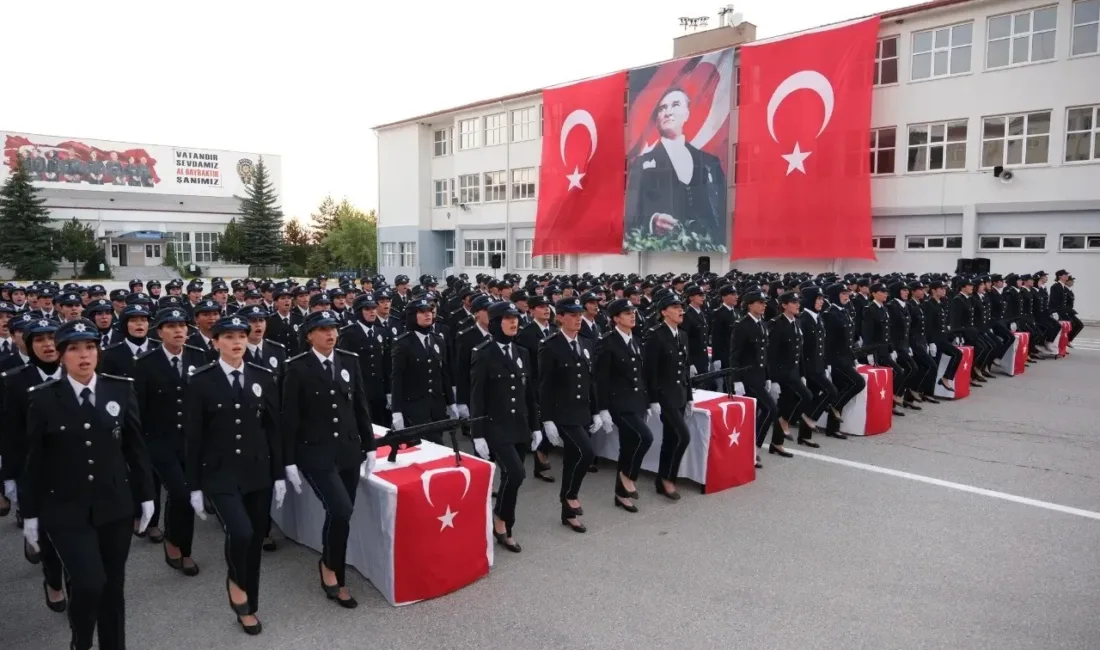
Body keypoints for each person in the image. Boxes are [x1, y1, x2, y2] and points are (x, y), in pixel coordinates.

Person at [21, 318, 156, 650]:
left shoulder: (119, 389)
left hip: (115, 504)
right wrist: (30, 514)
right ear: (61, 355)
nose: (84, 355)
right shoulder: (43, 399)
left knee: (113, 585)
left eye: (90, 347)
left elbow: (135, 447)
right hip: (65, 508)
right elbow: (34, 461)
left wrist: (146, 496)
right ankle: (81, 640)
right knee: (89, 582)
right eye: (74, 349)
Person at [184, 314, 284, 635]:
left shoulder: (262, 376)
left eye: (241, 336)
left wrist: (279, 473)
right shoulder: (201, 381)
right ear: (215, 343)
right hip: (220, 473)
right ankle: (236, 584)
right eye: (228, 337)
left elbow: (273, 429)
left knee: (254, 539)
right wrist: (194, 486)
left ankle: (248, 602)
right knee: (240, 532)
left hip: (257, 470)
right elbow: (193, 437)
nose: (237, 342)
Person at [282, 309, 376, 609]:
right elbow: (290, 418)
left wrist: (370, 446)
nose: (330, 334)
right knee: (340, 508)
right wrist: (288, 461)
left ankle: (331, 560)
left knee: (342, 513)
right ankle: (331, 570)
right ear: (309, 335)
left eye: (333, 328)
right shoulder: (297, 368)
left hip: (348, 450)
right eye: (323, 329)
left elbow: (359, 406)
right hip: (315, 452)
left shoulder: (349, 360)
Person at [134, 308, 207, 576]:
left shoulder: (198, 356)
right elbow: (138, 409)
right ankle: (177, 545)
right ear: (159, 331)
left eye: (182, 326)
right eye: (171, 326)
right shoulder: (145, 363)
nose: (178, 330)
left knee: (187, 493)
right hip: (159, 441)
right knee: (180, 492)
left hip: (191, 440)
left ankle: (180, 544)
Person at [1, 317, 66, 610]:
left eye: (53, 338)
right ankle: (53, 580)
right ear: (28, 345)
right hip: (36, 471)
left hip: (77, 468)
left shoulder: (77, 372)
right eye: (40, 340)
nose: (48, 345)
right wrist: (9, 477)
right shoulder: (14, 381)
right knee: (48, 535)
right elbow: (9, 434)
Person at [470, 301, 539, 552]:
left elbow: (529, 393)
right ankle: (504, 523)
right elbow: (477, 396)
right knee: (517, 473)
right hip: (495, 427)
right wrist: (477, 434)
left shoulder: (522, 353)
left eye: (516, 318)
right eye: (508, 319)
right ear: (496, 323)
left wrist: (536, 425)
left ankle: (501, 516)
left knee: (513, 477)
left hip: (519, 425)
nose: (514, 323)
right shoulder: (483, 353)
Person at [625, 88, 727, 249]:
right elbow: (631, 214)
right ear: (657, 119)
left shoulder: (709, 163)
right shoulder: (642, 164)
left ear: (687, 114)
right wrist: (652, 221)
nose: (668, 112)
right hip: (664, 248)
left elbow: (722, 211)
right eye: (662, 108)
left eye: (675, 105)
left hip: (709, 250)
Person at [538, 297, 600, 531]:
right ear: (560, 317)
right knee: (587, 452)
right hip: (562, 413)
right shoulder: (550, 346)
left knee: (573, 459)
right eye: (573, 315)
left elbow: (591, 381)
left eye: (580, 314)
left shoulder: (586, 343)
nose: (578, 319)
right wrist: (547, 419)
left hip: (582, 411)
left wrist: (596, 411)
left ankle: (568, 514)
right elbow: (544, 386)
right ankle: (570, 495)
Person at [593, 298, 652, 512]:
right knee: (645, 437)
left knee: (628, 445)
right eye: (627, 313)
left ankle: (621, 495)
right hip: (618, 404)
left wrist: (646, 402)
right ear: (616, 318)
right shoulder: (606, 342)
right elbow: (600, 379)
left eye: (633, 312)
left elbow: (641, 375)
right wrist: (602, 409)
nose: (632, 316)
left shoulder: (635, 340)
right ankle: (628, 476)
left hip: (636, 402)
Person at [642, 294, 692, 498]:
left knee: (671, 438)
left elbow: (685, 369)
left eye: (681, 306)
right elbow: (650, 371)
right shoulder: (655, 335)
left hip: (680, 394)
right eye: (675, 307)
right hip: (664, 396)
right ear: (663, 312)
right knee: (683, 436)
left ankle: (662, 478)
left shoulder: (682, 335)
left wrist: (689, 396)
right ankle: (668, 478)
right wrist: (653, 399)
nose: (680, 310)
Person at [390, 297, 458, 441]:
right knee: (433, 444)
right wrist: (396, 411)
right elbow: (397, 378)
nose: (428, 314)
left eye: (429, 311)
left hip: (437, 405)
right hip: (415, 406)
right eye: (422, 311)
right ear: (412, 316)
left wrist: (451, 402)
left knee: (437, 442)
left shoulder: (437, 340)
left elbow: (443, 373)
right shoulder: (403, 343)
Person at [768, 293, 816, 453]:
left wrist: (802, 373)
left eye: (798, 302)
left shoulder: (797, 322)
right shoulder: (776, 324)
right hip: (782, 373)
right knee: (805, 396)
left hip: (794, 372)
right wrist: (773, 379)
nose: (797, 305)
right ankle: (785, 422)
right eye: (793, 302)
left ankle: (777, 442)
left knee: (786, 404)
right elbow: (771, 354)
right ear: (784, 305)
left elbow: (799, 351)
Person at [796, 287, 840, 447]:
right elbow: (800, 349)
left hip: (819, 365)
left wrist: (826, 364)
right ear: (810, 300)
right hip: (809, 368)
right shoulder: (803, 320)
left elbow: (823, 345)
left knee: (813, 397)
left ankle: (804, 436)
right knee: (831, 391)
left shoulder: (818, 317)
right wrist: (801, 371)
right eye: (818, 298)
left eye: (822, 298)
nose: (822, 302)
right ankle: (810, 418)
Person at [821, 283, 866, 437]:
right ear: (835, 295)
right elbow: (827, 342)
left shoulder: (844, 311)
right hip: (835, 359)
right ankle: (834, 405)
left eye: (847, 293)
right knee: (858, 383)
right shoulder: (829, 314)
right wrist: (826, 363)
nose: (847, 296)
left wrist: (853, 358)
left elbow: (848, 339)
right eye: (843, 294)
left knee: (841, 388)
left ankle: (832, 428)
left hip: (846, 357)